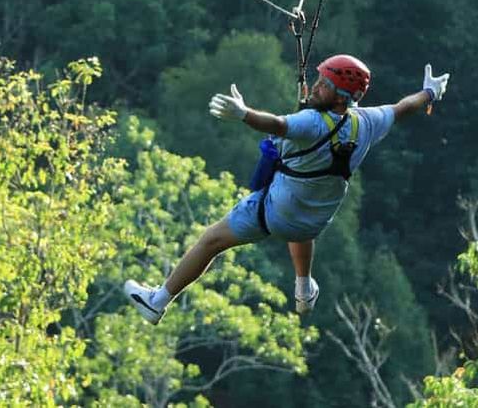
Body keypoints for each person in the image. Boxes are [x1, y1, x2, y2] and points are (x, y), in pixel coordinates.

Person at [124, 54, 449, 324]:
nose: (317, 85)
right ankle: (303, 288)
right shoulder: (365, 123)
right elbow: (402, 108)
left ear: (340, 97)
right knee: (305, 205)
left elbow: (277, 124)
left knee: (210, 241)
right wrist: (430, 93)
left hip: (274, 214)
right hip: (313, 224)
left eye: (324, 84)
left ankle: (157, 301)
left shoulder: (311, 123)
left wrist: (244, 114)